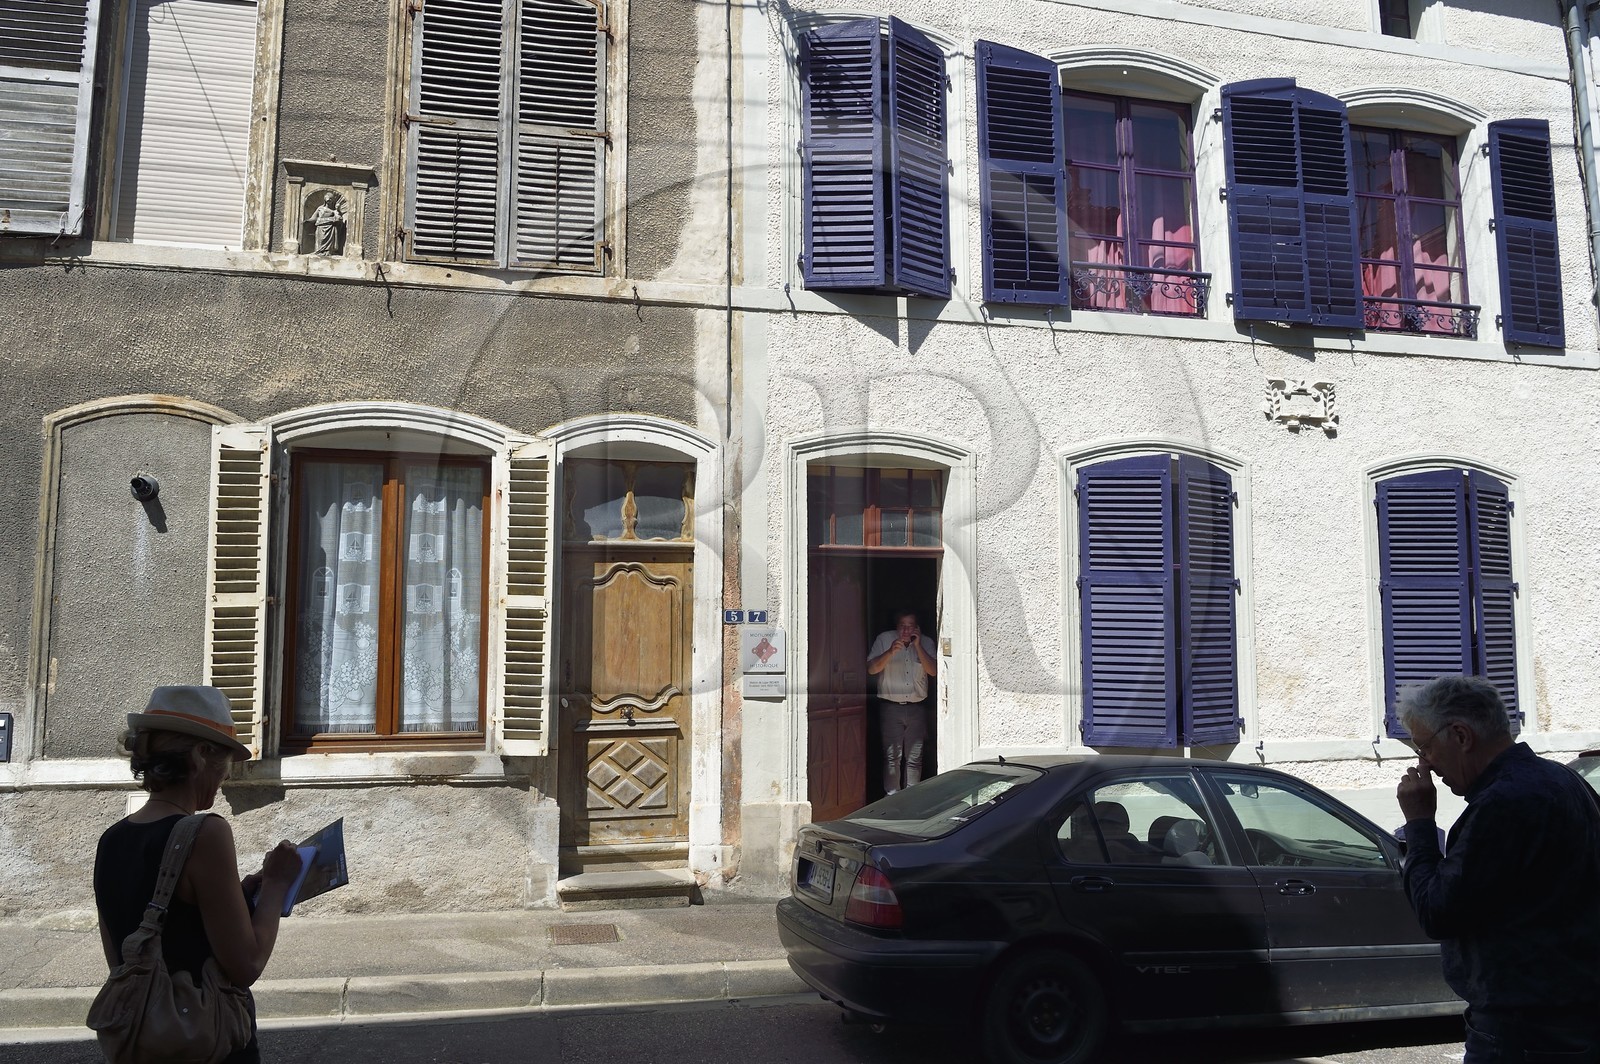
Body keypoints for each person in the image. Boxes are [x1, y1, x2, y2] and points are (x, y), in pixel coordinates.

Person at [1394, 675, 1600, 1063]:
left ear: (1461, 735)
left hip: (1524, 1030)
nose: (1425, 763)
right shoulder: (1562, 778)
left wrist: (1419, 824)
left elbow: (1438, 911)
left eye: (1425, 747)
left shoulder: (1503, 803)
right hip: (1572, 1017)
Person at [94, 686, 303, 1064]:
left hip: (146, 1041)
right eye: (225, 760)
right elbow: (247, 964)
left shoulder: (111, 839)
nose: (225, 775)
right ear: (201, 755)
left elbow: (126, 956)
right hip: (207, 1042)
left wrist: (238, 894)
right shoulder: (205, 833)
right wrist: (276, 885)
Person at [866, 610, 936, 794]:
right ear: (896, 627)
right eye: (902, 626)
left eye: (910, 626)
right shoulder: (884, 639)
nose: (906, 631)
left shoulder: (926, 642)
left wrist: (918, 647)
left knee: (914, 758)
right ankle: (892, 798)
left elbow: (933, 671)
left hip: (916, 709)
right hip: (891, 708)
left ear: (917, 628)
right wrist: (890, 652)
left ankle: (912, 798)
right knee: (892, 758)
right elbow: (871, 669)